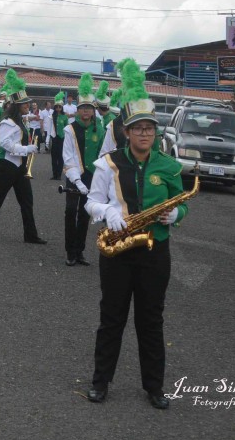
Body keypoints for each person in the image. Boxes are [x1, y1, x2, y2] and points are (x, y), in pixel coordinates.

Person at [85, 58, 187, 410]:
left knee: (151, 320)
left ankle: (154, 387)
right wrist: (108, 211)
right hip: (117, 250)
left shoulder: (169, 166)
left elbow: (181, 205)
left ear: (155, 132)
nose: (144, 133)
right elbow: (91, 202)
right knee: (111, 318)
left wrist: (177, 213)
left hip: (155, 251)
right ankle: (100, 382)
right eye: (137, 128)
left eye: (149, 128)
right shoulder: (108, 163)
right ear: (126, 131)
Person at [0, 69, 46, 244]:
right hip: (7, 165)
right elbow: (5, 143)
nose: (27, 106)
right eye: (24, 104)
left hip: (19, 167)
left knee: (27, 201)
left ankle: (30, 235)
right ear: (16, 105)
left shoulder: (21, 121)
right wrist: (26, 149)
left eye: (27, 103)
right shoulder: (8, 122)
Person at [62, 74, 105, 267]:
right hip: (74, 176)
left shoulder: (101, 130)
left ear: (94, 110)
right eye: (82, 108)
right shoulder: (70, 129)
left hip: (92, 177)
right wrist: (77, 181)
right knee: (71, 211)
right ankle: (70, 251)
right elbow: (68, 157)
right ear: (77, 111)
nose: (86, 111)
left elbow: (104, 155)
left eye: (89, 108)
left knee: (85, 213)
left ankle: (80, 251)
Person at [50, 94, 68, 179]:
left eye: (59, 107)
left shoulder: (64, 117)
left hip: (61, 138)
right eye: (56, 107)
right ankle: (54, 174)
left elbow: (67, 128)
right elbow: (49, 127)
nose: (58, 109)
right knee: (54, 157)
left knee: (60, 157)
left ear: (62, 108)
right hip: (54, 138)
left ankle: (59, 175)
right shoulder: (52, 116)